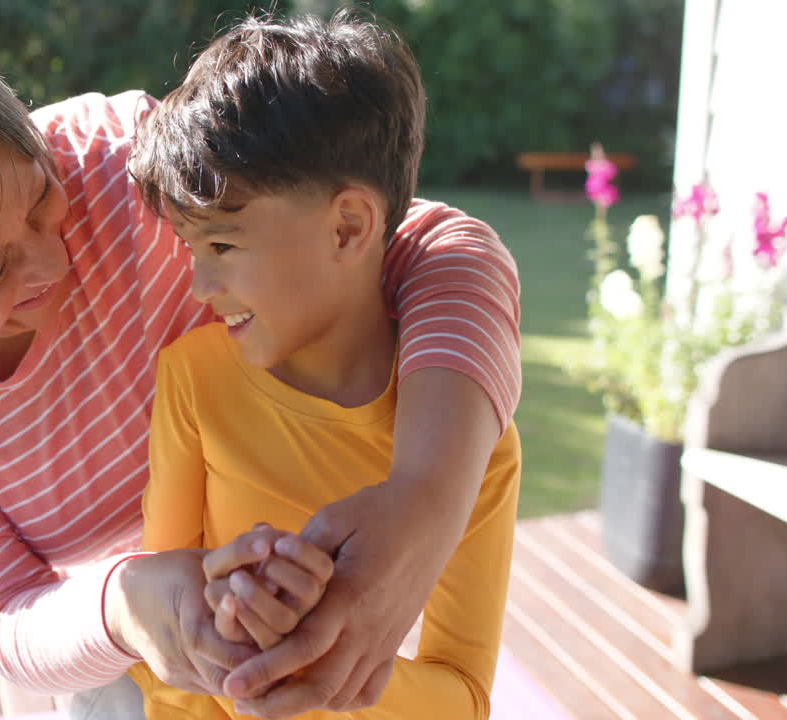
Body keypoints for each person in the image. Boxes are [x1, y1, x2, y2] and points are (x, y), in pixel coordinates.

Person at [0, 13, 520, 720]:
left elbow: (431, 244)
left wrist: (428, 493)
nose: (53, 258)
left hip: (324, 566)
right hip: (113, 644)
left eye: (43, 198)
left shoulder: (119, 162)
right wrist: (125, 606)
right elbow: (4, 614)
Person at [124, 12, 521, 719]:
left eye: (222, 246)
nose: (198, 288)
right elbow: (161, 646)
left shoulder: (473, 448)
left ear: (348, 228)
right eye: (191, 249)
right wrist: (228, 635)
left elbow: (463, 694)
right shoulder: (193, 377)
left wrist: (317, 654)